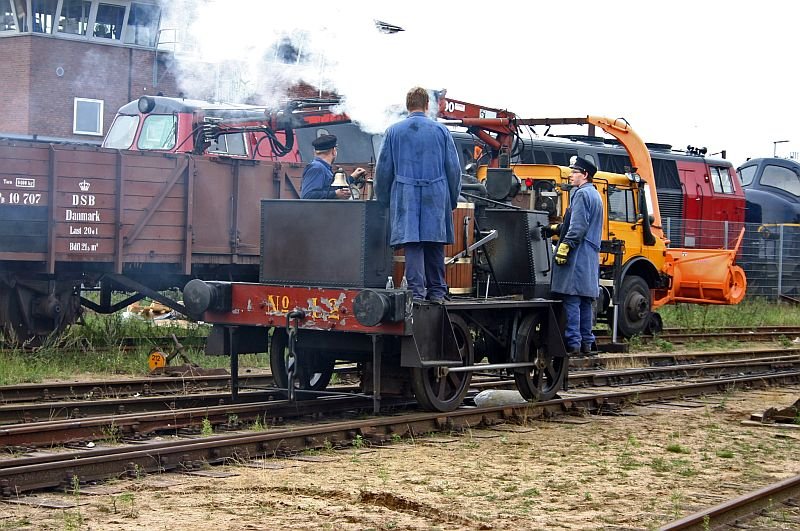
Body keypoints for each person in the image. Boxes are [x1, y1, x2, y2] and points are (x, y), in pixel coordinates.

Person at [375, 87, 461, 303]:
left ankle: (416, 293)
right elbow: (454, 169)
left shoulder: (394, 131)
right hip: (436, 192)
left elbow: (383, 170)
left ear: (407, 106)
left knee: (413, 243)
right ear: (427, 105)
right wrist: (451, 198)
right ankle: (438, 292)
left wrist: (384, 199)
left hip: (406, 194)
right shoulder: (441, 131)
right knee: (435, 241)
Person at [550, 156, 604, 356]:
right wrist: (556, 228)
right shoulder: (595, 195)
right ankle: (587, 343)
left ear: (585, 175)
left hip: (577, 253)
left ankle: (573, 344)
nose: (570, 175)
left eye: (574, 172)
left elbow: (578, 226)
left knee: (571, 298)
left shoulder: (580, 194)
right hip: (589, 255)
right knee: (585, 300)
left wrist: (565, 246)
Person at [300, 134, 366, 199]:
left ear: (315, 152)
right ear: (334, 151)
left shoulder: (324, 168)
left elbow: (329, 188)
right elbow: (307, 195)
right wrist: (335, 194)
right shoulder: (317, 168)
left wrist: (353, 177)